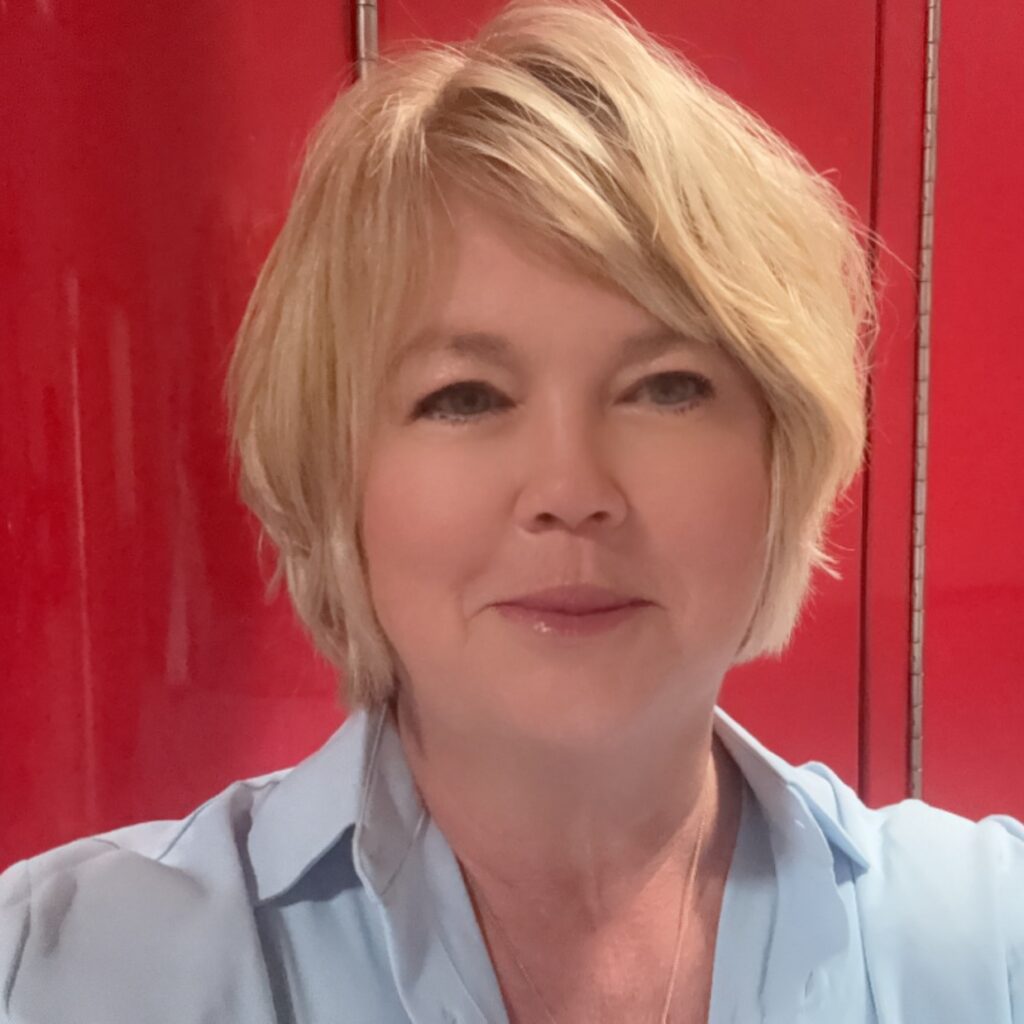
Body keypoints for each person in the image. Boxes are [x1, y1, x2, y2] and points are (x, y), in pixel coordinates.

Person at [2, 0, 1022, 1021]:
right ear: (336, 481)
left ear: (782, 454)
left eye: (665, 387)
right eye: (465, 398)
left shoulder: (989, 942)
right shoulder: (61, 970)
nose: (571, 492)